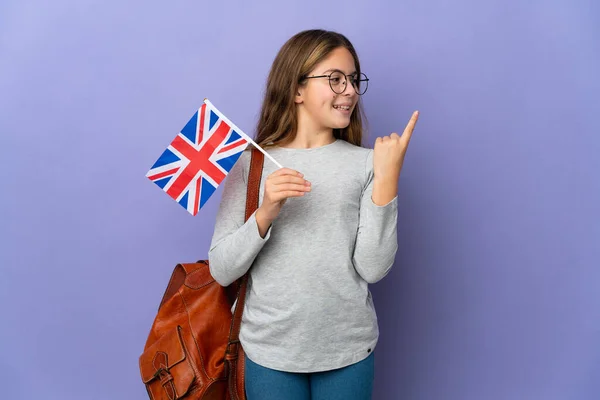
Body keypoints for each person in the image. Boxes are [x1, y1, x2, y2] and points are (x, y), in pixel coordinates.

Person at [208, 28, 419, 400]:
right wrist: (265, 212)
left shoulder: (366, 164)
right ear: (296, 89)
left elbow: (373, 268)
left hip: (347, 349)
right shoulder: (250, 163)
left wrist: (387, 179)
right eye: (335, 79)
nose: (350, 91)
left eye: (353, 80)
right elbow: (222, 270)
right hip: (267, 350)